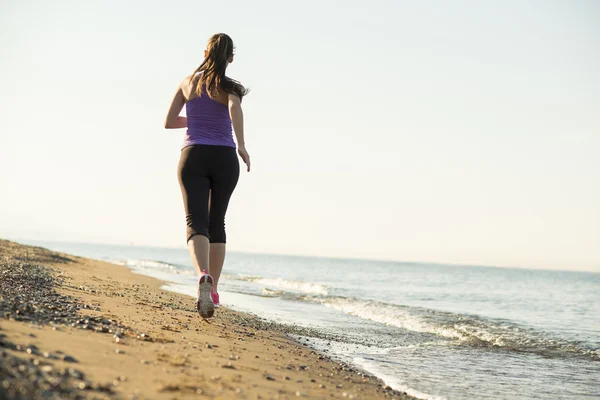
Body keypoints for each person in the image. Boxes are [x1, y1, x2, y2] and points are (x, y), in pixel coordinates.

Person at [164, 33, 250, 319]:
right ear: (230, 58)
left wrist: (198, 119)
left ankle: (202, 275)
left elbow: (169, 122)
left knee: (195, 222)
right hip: (225, 158)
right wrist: (241, 145)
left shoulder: (187, 82)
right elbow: (234, 107)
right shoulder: (229, 87)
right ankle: (213, 290)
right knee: (217, 221)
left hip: (194, 155)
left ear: (205, 52)